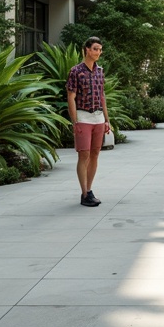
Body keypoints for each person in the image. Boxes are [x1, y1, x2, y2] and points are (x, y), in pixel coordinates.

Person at [66, 36, 110, 207]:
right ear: (87, 50)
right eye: (95, 49)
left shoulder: (100, 71)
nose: (98, 52)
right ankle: (84, 193)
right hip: (83, 116)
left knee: (95, 154)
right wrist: (74, 121)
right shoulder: (76, 71)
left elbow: (102, 95)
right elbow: (71, 97)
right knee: (83, 154)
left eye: (100, 49)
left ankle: (89, 190)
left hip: (98, 117)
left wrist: (107, 119)